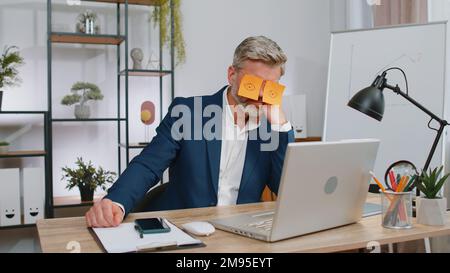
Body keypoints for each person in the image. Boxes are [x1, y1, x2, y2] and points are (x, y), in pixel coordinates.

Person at [85, 36, 295, 228]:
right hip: (183, 229)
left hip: (242, 233)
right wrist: (116, 201)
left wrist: (281, 127)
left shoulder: (272, 129)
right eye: (253, 84)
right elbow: (149, 164)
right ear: (232, 75)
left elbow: (284, 187)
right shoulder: (188, 113)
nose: (260, 95)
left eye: (270, 88)